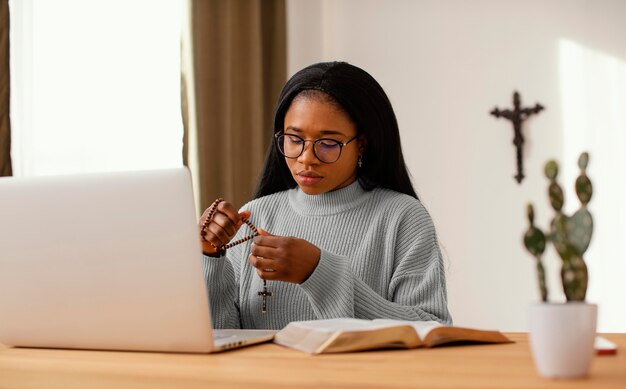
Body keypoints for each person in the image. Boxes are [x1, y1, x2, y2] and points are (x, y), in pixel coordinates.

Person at [199, 61, 452, 329]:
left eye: (328, 143)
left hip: (360, 373)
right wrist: (209, 258)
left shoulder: (403, 218)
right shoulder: (257, 213)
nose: (307, 158)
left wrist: (319, 272)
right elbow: (224, 335)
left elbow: (431, 329)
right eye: (294, 139)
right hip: (264, 372)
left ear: (362, 145)